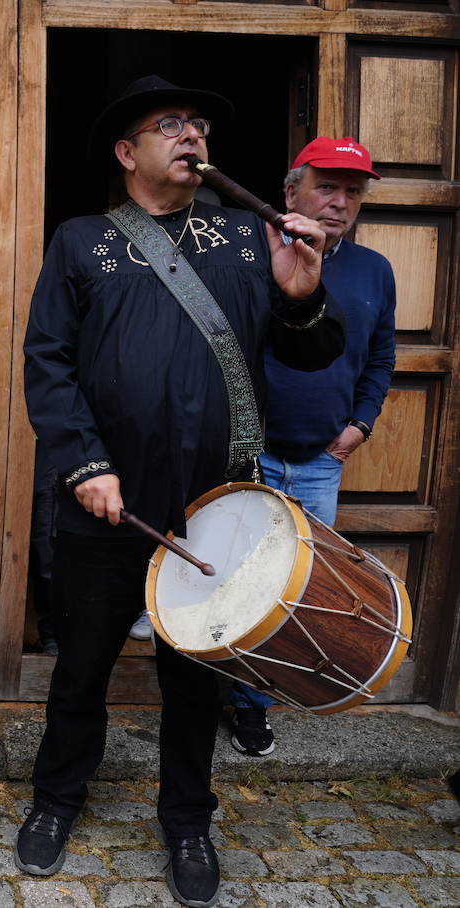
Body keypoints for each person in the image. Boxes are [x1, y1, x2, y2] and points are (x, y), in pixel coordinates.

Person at [20, 76, 344, 907]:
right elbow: (48, 362)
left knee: (195, 674)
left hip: (217, 501)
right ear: (129, 153)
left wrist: (303, 297)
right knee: (83, 664)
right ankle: (57, 800)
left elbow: (310, 356)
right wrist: (85, 465)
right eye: (170, 124)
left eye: (198, 123)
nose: (191, 134)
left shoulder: (249, 236)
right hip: (107, 499)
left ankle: (188, 820)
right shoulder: (82, 240)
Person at [227, 137, 396, 757]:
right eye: (326, 185)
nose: (340, 201)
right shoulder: (253, 255)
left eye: (353, 191)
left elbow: (380, 357)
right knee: (241, 580)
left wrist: (362, 425)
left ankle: (258, 701)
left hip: (323, 461)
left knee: (299, 590)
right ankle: (239, 702)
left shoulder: (374, 269)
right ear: (291, 190)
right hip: (250, 454)